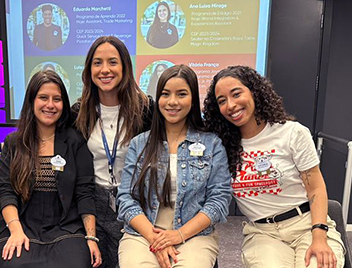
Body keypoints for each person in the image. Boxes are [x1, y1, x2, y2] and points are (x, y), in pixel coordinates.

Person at [203, 65, 345, 268]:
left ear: (254, 92)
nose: (231, 105)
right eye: (222, 101)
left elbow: (316, 188)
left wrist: (319, 235)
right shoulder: (221, 146)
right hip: (263, 234)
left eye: (236, 94)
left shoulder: (292, 133)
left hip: (308, 225)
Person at [117, 64, 232, 268]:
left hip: (194, 235)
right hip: (143, 234)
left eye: (181, 94)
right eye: (165, 94)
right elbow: (126, 198)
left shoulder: (211, 144)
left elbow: (219, 200)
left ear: (193, 99)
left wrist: (178, 235)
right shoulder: (139, 144)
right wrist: (156, 239)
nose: (172, 102)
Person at [0, 70, 101, 268]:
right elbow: (6, 191)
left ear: (63, 105)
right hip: (21, 222)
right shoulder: (14, 143)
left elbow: (85, 193)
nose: (50, 105)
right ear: (32, 101)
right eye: (43, 97)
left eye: (56, 99)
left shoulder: (75, 141)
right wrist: (15, 230)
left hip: (66, 227)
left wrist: (91, 238)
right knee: (13, 263)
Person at [72, 35, 154, 267]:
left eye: (112, 62)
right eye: (97, 63)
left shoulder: (146, 109)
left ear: (125, 66)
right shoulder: (79, 112)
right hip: (93, 203)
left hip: (136, 201)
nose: (105, 69)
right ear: (89, 69)